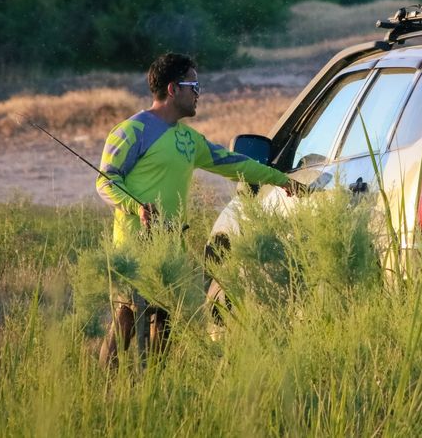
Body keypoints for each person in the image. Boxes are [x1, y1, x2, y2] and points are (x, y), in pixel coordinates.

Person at [96, 51, 299, 365]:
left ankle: (153, 385)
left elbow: (233, 163)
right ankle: (106, 383)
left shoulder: (190, 139)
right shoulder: (131, 130)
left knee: (166, 324)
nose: (198, 94)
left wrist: (281, 179)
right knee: (126, 318)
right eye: (194, 86)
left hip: (171, 247)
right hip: (133, 248)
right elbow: (106, 181)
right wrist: (137, 208)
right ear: (173, 89)